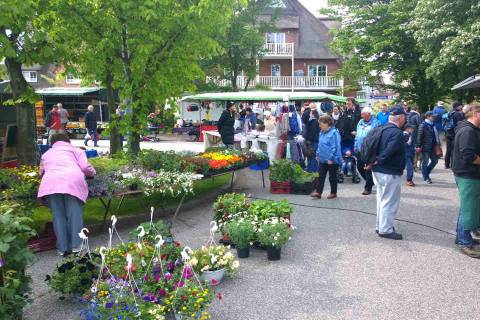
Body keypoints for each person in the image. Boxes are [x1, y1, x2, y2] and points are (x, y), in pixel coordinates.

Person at [37, 133, 96, 256]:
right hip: (72, 182)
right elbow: (85, 167)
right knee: (74, 214)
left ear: (52, 143)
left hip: (51, 184)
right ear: (68, 141)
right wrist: (92, 173)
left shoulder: (46, 154)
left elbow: (41, 172)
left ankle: (62, 248)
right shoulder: (76, 151)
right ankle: (76, 246)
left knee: (58, 216)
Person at [371, 106, 406, 240]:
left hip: (378, 171)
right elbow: (390, 150)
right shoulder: (396, 133)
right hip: (389, 171)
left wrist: (374, 161)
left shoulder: (381, 128)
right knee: (389, 201)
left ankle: (380, 226)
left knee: (381, 199)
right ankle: (385, 229)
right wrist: (380, 160)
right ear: (401, 118)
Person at [451, 103, 480, 258]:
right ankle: (464, 242)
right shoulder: (467, 130)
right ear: (476, 114)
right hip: (467, 174)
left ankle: (461, 237)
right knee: (468, 208)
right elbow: (468, 155)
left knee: (468, 207)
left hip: (470, 174)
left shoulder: (472, 129)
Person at [310, 115, 342, 200]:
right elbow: (320, 144)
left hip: (332, 160)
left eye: (321, 124)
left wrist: (331, 159)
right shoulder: (321, 132)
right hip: (322, 158)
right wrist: (317, 154)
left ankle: (333, 193)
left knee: (332, 177)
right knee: (321, 176)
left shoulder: (334, 133)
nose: (319, 126)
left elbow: (335, 147)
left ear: (327, 123)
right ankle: (318, 192)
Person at [354, 107, 379, 195]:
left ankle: (367, 188)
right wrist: (355, 145)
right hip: (360, 148)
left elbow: (376, 138)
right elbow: (357, 135)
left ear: (368, 114)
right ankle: (370, 181)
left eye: (363, 114)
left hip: (369, 149)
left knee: (368, 168)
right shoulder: (360, 122)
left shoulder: (375, 123)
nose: (361, 115)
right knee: (359, 166)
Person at [416, 111, 440, 184]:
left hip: (433, 146)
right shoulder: (423, 125)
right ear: (428, 117)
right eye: (433, 116)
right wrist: (418, 146)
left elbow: (435, 136)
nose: (434, 117)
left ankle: (426, 173)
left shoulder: (433, 124)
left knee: (435, 161)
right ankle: (426, 177)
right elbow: (419, 136)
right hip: (425, 147)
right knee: (425, 162)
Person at [445, 101, 465, 169]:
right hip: (454, 134)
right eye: (461, 105)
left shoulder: (449, 112)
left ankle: (446, 164)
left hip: (448, 133)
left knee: (448, 149)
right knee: (453, 150)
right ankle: (453, 165)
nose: (461, 107)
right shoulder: (457, 114)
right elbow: (460, 124)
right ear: (458, 106)